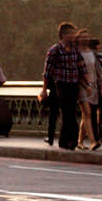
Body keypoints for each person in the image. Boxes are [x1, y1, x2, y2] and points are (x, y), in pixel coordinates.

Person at [40, 21, 84, 151]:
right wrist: (44, 89)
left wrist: (87, 84)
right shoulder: (55, 50)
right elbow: (47, 71)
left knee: (70, 111)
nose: (73, 36)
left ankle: (65, 141)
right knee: (67, 112)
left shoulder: (76, 50)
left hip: (74, 83)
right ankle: (71, 139)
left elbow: (81, 67)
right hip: (61, 84)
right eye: (71, 33)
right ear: (64, 35)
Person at [79, 31, 102, 151]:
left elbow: (98, 71)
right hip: (82, 86)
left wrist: (101, 88)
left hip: (93, 85)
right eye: (83, 37)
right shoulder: (77, 53)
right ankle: (93, 141)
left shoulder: (92, 53)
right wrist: (85, 85)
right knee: (88, 113)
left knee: (87, 114)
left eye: (87, 37)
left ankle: (79, 141)